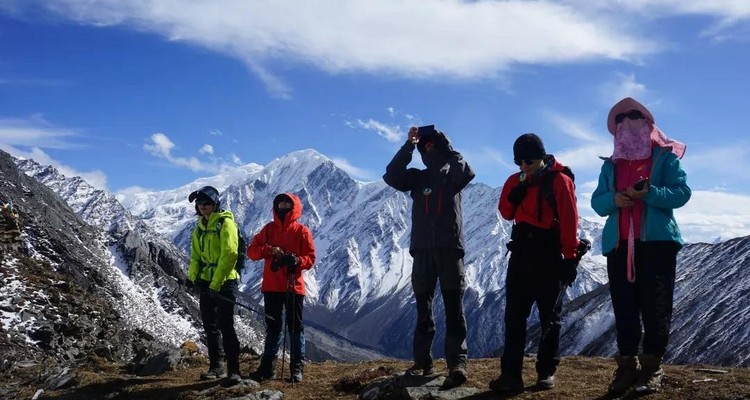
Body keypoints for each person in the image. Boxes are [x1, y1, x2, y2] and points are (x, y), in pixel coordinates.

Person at [591, 97, 690, 395]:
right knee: (625, 307)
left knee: (655, 306)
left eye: (635, 118)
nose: (627, 124)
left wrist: (650, 193)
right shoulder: (611, 166)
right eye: (621, 120)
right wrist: (615, 200)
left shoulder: (664, 158)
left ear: (648, 125)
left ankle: (651, 367)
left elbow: (681, 193)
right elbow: (598, 202)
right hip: (621, 244)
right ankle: (627, 367)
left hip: (656, 243)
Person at [382, 125, 475, 388]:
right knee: (424, 310)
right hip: (422, 250)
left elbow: (466, 171)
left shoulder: (453, 173)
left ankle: (458, 363)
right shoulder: (417, 178)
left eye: (432, 145)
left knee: (454, 309)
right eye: (426, 146)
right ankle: (423, 361)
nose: (429, 149)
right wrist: (408, 145)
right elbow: (391, 175)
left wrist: (445, 144)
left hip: (449, 249)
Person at [490, 133, 580, 392]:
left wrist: (570, 257)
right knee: (514, 317)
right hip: (521, 254)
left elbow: (569, 220)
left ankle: (546, 373)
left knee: (549, 318)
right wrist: (513, 197)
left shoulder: (560, 182)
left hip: (548, 255)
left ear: (541, 157)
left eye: (528, 160)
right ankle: (510, 375)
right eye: (519, 161)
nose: (523, 166)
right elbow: (506, 214)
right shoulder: (514, 181)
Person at [247, 193, 316, 383]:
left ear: (294, 207)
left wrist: (296, 260)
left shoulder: (302, 231)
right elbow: (251, 252)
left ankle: (296, 369)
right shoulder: (268, 230)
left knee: (295, 327)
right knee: (274, 328)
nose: (283, 205)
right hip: (272, 286)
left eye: (287, 203)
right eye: (280, 202)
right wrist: (269, 249)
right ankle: (268, 369)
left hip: (293, 286)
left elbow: (310, 259)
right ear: (275, 206)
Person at [186, 185, 242, 383]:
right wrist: (193, 278)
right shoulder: (199, 228)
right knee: (210, 326)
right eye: (200, 203)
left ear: (215, 203)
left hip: (225, 282)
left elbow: (230, 255)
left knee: (226, 325)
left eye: (207, 202)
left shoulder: (226, 224)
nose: (203, 206)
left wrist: (214, 284)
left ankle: (234, 369)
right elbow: (195, 257)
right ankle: (216, 367)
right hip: (207, 282)